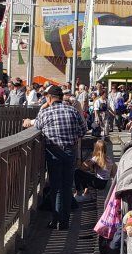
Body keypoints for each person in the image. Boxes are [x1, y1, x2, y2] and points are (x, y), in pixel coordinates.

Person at [23, 85, 87, 229]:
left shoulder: (45, 112)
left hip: (53, 152)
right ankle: (64, 221)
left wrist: (43, 107)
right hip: (70, 151)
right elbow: (83, 129)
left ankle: (56, 219)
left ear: (50, 98)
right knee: (66, 186)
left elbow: (37, 126)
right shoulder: (72, 110)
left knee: (56, 186)